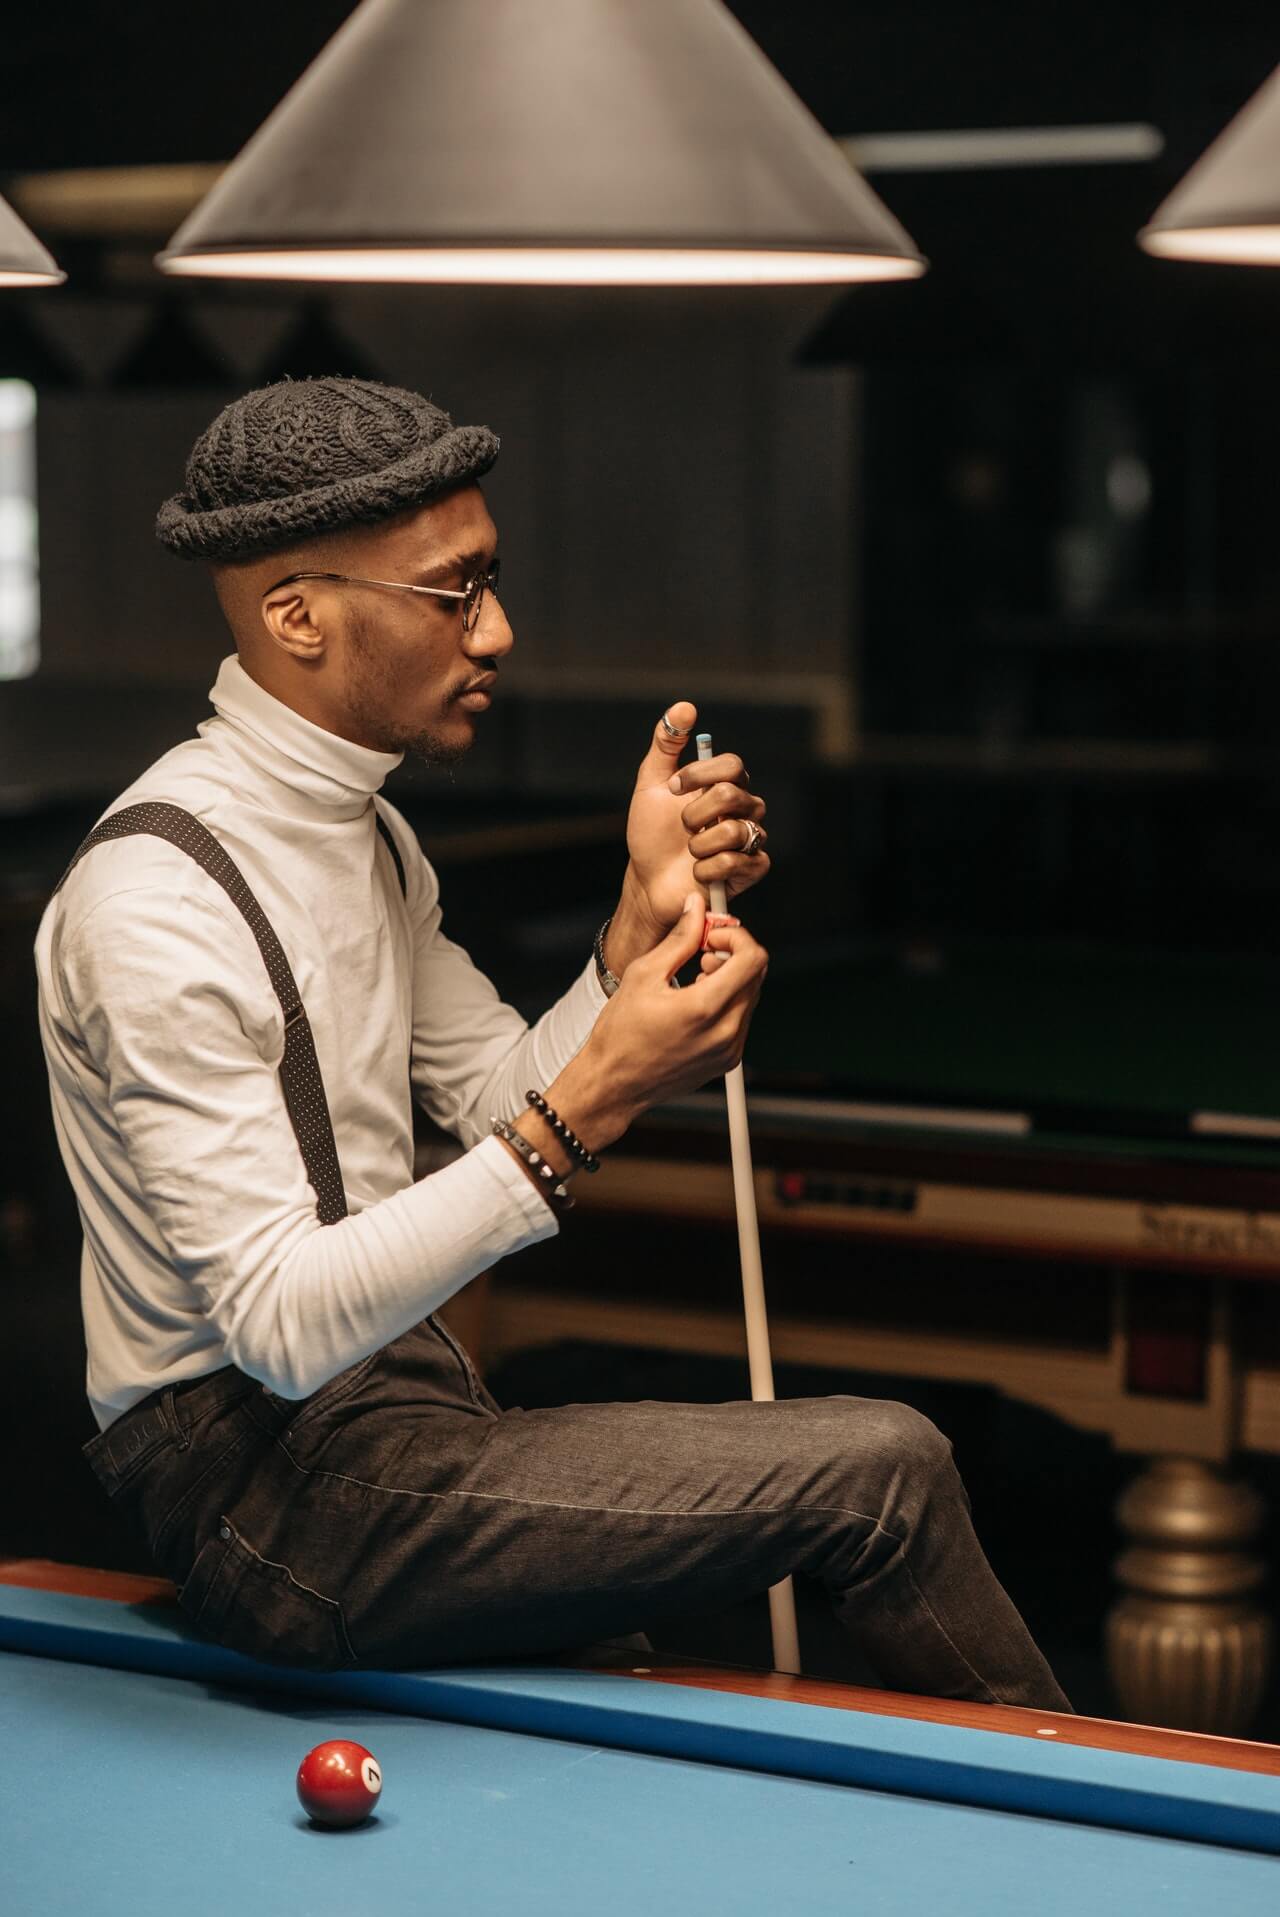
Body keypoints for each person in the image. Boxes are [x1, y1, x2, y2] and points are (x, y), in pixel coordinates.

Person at [34, 375, 1069, 1709]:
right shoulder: (157, 897)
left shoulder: (365, 834)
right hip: (270, 1500)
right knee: (886, 1468)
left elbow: (497, 1093)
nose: (500, 629)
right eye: (453, 592)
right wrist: (597, 1093)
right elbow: (284, 1325)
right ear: (297, 613)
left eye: (493, 580)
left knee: (634, 1672)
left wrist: (636, 927)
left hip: (398, 1420)